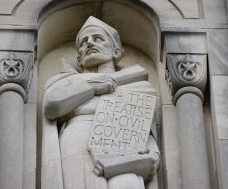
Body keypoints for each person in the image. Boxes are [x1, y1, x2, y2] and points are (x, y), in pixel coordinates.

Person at [43, 16, 160, 189]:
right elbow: (52, 105)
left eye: (97, 39)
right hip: (79, 142)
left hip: (125, 150)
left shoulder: (138, 85)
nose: (89, 43)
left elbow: (144, 131)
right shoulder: (67, 80)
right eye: (83, 43)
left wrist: (153, 155)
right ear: (79, 60)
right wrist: (91, 86)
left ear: (116, 52)